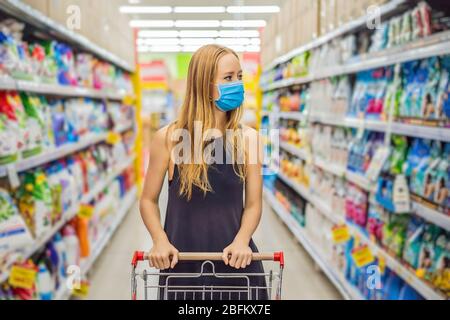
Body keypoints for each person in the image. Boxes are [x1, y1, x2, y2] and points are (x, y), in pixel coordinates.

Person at [139, 44, 267, 300]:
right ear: (204, 84)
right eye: (228, 78)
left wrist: (243, 240)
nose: (238, 84)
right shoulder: (169, 139)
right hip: (182, 267)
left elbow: (253, 204)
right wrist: (159, 240)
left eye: (240, 77)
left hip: (237, 267)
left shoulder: (248, 140)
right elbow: (148, 200)